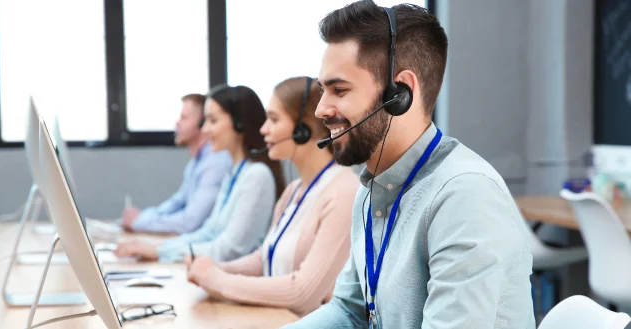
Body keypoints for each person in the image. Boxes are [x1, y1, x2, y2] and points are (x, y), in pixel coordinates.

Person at [284, 2, 534, 329]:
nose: (321, 110)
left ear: (400, 92)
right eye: (323, 91)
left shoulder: (464, 196)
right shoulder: (372, 190)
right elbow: (349, 311)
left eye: (339, 90)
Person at [184, 77, 359, 316]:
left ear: (302, 129)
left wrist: (218, 280)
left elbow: (304, 294)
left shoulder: (344, 191)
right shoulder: (293, 191)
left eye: (274, 119)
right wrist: (215, 268)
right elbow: (265, 258)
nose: (263, 129)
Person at [115, 85, 285, 263]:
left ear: (239, 124)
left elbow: (229, 251)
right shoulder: (234, 173)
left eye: (213, 121)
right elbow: (208, 232)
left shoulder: (257, 176)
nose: (204, 130)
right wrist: (158, 247)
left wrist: (160, 252)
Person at [121, 94, 231, 234]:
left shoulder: (215, 163)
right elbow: (177, 203)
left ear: (202, 124)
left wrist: (140, 222)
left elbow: (190, 222)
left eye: (184, 118)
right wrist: (142, 217)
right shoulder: (195, 163)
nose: (177, 123)